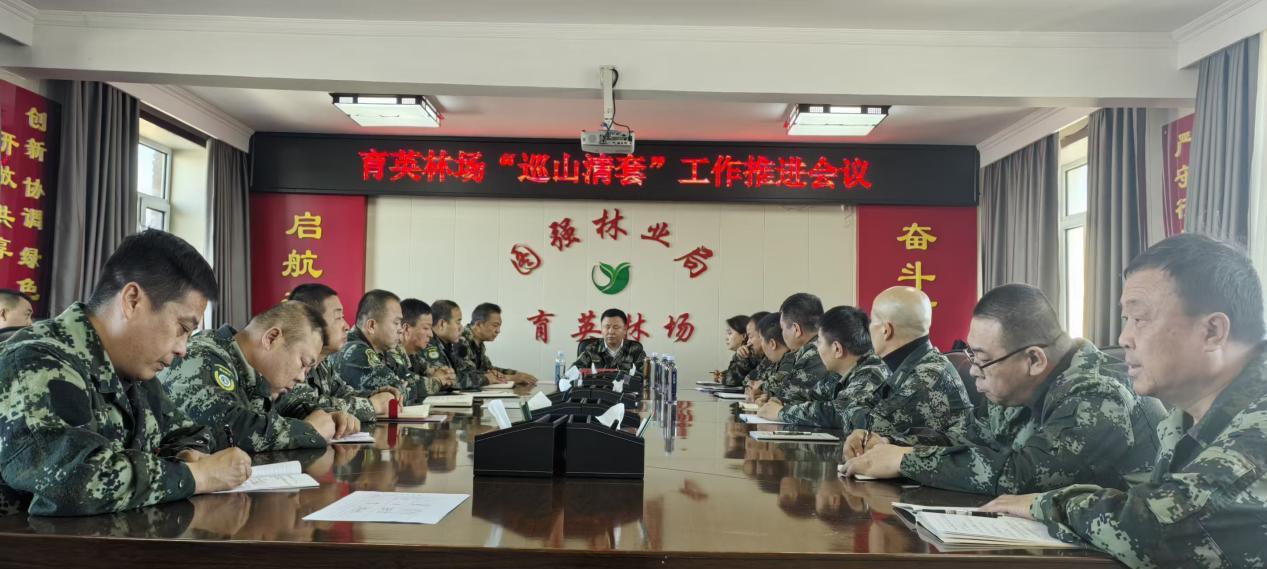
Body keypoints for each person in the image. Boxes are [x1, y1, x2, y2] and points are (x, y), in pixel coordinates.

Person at [984, 234, 1267, 568]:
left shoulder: (1259, 423)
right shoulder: (1185, 417)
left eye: (1140, 319)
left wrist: (1044, 504)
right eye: (1126, 320)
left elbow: (1156, 529)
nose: (1124, 338)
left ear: (1213, 331)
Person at [0, 230, 250, 516]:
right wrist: (197, 476)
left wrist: (185, 456)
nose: (183, 349)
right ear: (132, 300)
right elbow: (75, 482)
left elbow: (189, 432)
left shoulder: (134, 370)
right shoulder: (36, 362)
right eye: (182, 328)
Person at [845, 284, 1165, 496]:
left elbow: (1025, 475)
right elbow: (972, 439)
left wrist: (904, 461)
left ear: (1033, 360)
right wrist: (889, 445)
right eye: (971, 355)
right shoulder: (1019, 386)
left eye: (982, 359)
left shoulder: (1098, 394)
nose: (973, 369)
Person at [161, 300, 358, 452]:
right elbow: (225, 428)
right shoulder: (202, 356)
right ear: (271, 338)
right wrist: (307, 431)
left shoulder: (259, 376)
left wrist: (330, 417)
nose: (301, 377)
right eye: (303, 364)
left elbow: (293, 404)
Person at [838, 286, 972, 436]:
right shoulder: (909, 364)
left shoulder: (927, 377)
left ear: (886, 330)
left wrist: (849, 402)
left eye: (872, 321)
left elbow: (867, 428)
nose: (869, 329)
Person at [281, 284, 399, 422]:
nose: (346, 326)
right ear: (310, 322)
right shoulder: (290, 362)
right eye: (338, 317)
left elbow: (343, 393)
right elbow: (305, 407)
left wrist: (374, 395)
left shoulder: (323, 364)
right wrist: (373, 404)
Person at [770, 306, 889, 429]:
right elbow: (811, 398)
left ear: (837, 349)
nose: (816, 349)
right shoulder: (837, 374)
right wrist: (781, 403)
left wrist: (781, 412)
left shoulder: (872, 372)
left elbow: (838, 413)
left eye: (819, 342)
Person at [331, 290, 412, 396]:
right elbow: (396, 395)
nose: (401, 329)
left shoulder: (383, 351)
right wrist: (402, 387)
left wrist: (404, 386)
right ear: (371, 326)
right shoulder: (355, 352)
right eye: (396, 323)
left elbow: (412, 382)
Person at [761, 293, 831, 406]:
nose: (782, 334)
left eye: (783, 329)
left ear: (796, 329)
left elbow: (788, 399)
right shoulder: (818, 346)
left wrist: (771, 401)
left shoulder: (814, 353)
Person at [454, 302, 537, 386]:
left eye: (499, 326)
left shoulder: (479, 343)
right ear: (479, 324)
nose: (498, 331)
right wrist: (511, 378)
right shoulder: (460, 340)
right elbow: (468, 375)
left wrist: (516, 374)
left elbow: (488, 369)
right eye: (495, 325)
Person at [396, 298, 454, 395]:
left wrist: (446, 376)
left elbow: (431, 373)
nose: (431, 335)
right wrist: (438, 381)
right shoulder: (392, 353)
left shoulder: (414, 356)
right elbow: (408, 385)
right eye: (426, 328)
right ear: (406, 329)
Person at [423, 299, 484, 390]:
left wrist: (488, 375)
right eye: (458, 322)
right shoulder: (429, 346)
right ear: (442, 324)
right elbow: (450, 380)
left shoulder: (448, 346)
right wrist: (486, 379)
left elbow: (465, 370)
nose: (461, 328)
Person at [573, 308, 647, 378]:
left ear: (625, 329)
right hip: (597, 387)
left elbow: (645, 377)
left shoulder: (635, 349)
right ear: (601, 329)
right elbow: (572, 374)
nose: (611, 331)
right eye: (607, 327)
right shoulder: (591, 349)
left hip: (626, 387)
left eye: (616, 327)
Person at [753, 313, 796, 404]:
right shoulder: (778, 361)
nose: (761, 345)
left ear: (772, 344)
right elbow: (753, 383)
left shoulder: (792, 359)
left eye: (761, 340)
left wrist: (762, 390)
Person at [717, 314, 762, 388]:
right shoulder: (743, 353)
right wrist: (723, 375)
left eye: (729, 333)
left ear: (744, 336)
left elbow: (731, 381)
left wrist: (724, 379)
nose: (726, 338)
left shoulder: (751, 353)